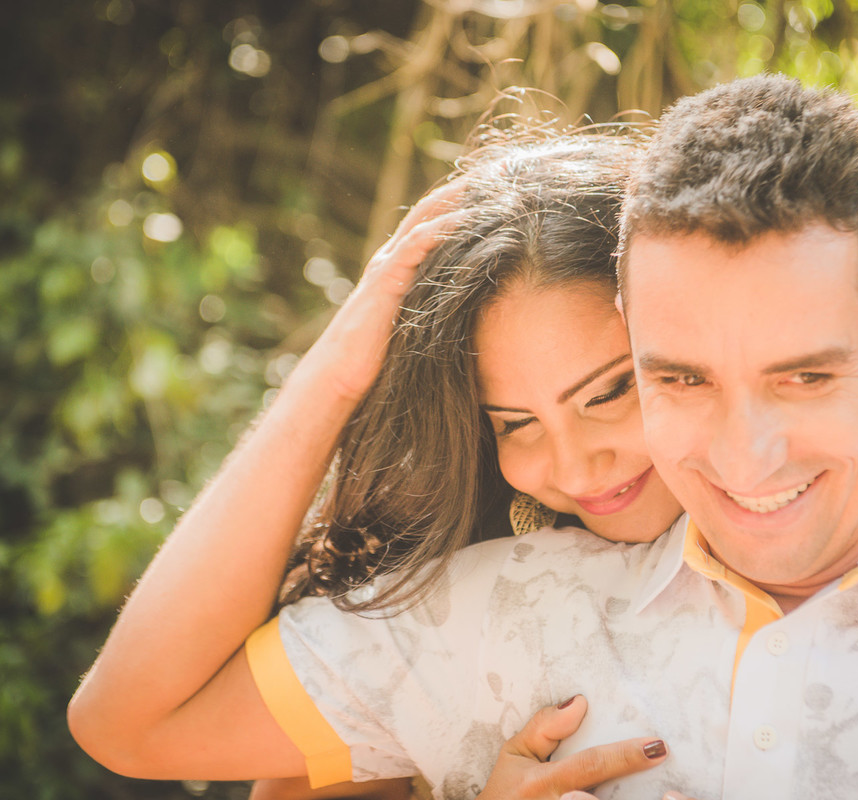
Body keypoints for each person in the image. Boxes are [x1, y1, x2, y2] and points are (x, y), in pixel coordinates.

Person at [73, 76, 858, 799]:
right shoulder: (494, 611)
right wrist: (332, 374)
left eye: (804, 375)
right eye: (677, 379)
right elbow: (131, 719)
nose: (747, 450)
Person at [68, 129, 682, 798]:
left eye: (611, 391)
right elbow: (124, 724)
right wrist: (331, 379)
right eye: (514, 423)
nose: (577, 467)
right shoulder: (453, 625)